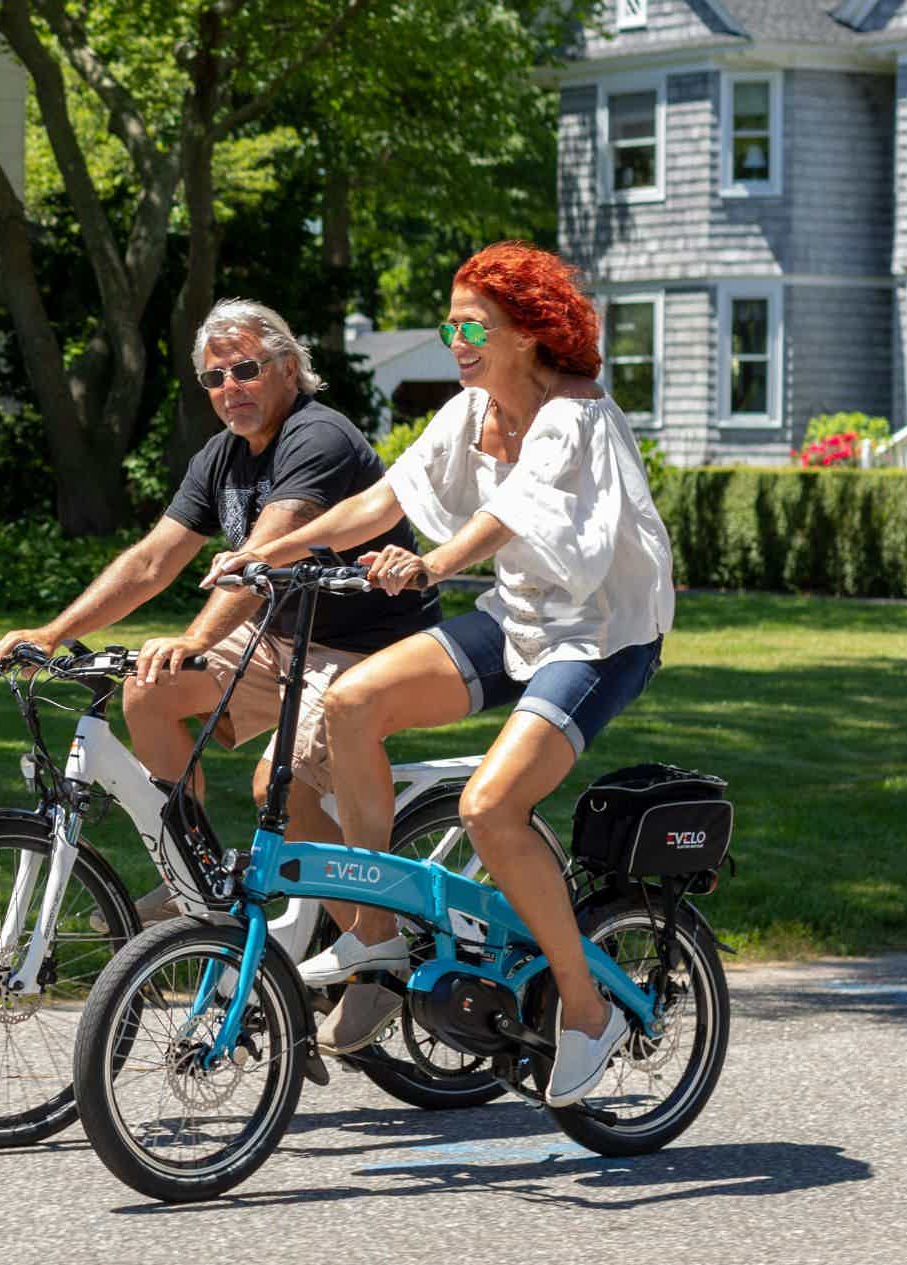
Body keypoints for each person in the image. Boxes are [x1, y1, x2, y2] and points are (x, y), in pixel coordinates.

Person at [202, 242, 675, 1108]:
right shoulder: (469, 412)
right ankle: (379, 935)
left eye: (473, 325)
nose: (455, 339)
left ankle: (586, 1007)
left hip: (603, 634)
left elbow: (506, 515)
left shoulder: (574, 414)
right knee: (351, 702)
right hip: (521, 617)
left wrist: (431, 566)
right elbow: (377, 504)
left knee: (491, 807)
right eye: (448, 323)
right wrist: (260, 554)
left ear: (529, 333)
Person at [0, 299, 439, 932]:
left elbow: (260, 559)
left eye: (246, 369)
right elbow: (152, 562)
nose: (230, 388)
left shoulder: (319, 437)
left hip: (363, 649)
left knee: (279, 790)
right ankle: (190, 874)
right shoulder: (222, 455)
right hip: (282, 636)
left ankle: (375, 954)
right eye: (214, 377)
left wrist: (197, 637)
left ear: (287, 367)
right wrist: (55, 633)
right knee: (151, 688)